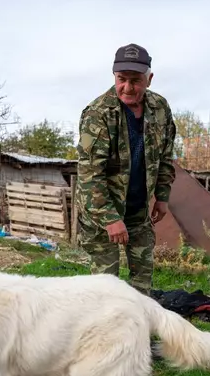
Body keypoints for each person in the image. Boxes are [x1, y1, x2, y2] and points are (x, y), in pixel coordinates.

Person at [76, 43, 177, 295]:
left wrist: (162, 197)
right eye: (122, 79)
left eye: (136, 80)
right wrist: (111, 219)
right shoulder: (98, 114)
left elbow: (165, 157)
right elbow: (90, 175)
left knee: (142, 279)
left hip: (138, 212)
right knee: (105, 286)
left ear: (149, 79)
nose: (128, 88)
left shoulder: (160, 109)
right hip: (100, 213)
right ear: (114, 76)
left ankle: (139, 332)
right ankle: (104, 333)